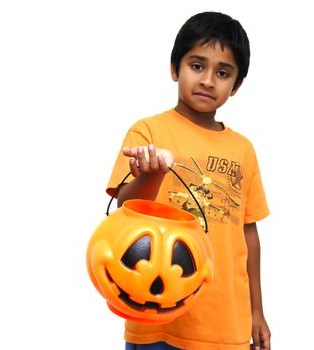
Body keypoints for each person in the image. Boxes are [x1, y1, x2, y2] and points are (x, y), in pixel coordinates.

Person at [106, 11, 271, 350]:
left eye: (223, 73)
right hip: (157, 316)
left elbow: (248, 234)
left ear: (236, 86)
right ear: (174, 68)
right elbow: (124, 208)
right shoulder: (149, 132)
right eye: (197, 66)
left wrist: (257, 311)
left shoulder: (243, 149)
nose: (208, 80)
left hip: (226, 324)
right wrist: (151, 174)